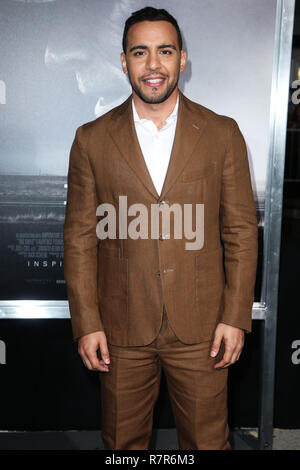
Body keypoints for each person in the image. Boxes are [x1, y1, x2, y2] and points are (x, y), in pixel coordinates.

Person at [63, 6, 258, 450]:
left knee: (208, 443)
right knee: (122, 445)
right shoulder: (90, 139)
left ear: (182, 60)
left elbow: (242, 233)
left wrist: (235, 316)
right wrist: (87, 322)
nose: (153, 65)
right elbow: (78, 240)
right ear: (124, 61)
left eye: (164, 51)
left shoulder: (222, 133)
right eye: (140, 52)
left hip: (204, 329)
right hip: (120, 330)